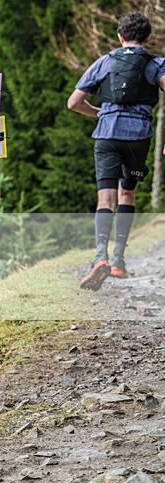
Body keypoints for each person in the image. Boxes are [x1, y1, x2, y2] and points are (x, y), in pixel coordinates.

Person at [68, 12, 165, 291]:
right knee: (128, 193)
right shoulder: (156, 64)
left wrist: (100, 113)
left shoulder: (105, 61)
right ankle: (119, 261)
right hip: (138, 138)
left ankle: (101, 258)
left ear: (120, 37)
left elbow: (74, 102)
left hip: (107, 135)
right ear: (148, 38)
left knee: (105, 198)